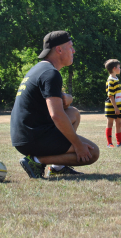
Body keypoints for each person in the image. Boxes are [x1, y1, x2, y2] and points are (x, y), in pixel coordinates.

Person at [10, 31, 99, 178]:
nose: (73, 50)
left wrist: (67, 97)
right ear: (59, 50)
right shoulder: (50, 74)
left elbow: (48, 101)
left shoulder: (39, 69)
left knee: (73, 113)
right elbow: (56, 115)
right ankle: (37, 161)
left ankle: (58, 167)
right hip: (32, 136)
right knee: (92, 152)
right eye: (70, 47)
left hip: (24, 134)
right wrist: (78, 145)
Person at [104, 59, 121, 148]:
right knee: (110, 123)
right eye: (119, 67)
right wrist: (115, 108)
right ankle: (109, 143)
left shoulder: (116, 78)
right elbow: (110, 95)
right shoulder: (110, 80)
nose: (120, 69)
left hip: (119, 106)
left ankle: (119, 143)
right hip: (112, 107)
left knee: (118, 123)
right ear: (114, 68)